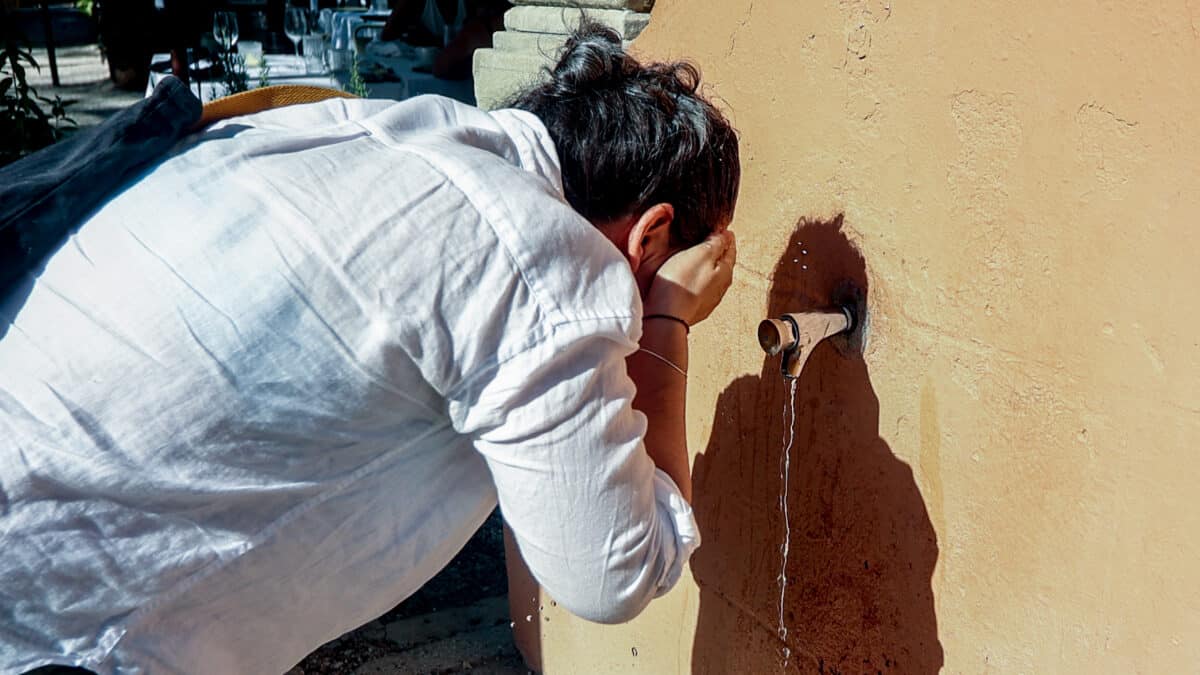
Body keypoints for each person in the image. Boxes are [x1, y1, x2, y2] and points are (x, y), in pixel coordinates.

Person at [0, 20, 739, 675]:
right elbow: (613, 574)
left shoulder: (380, 128)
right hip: (52, 614)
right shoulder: (540, 257)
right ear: (652, 236)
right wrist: (668, 315)